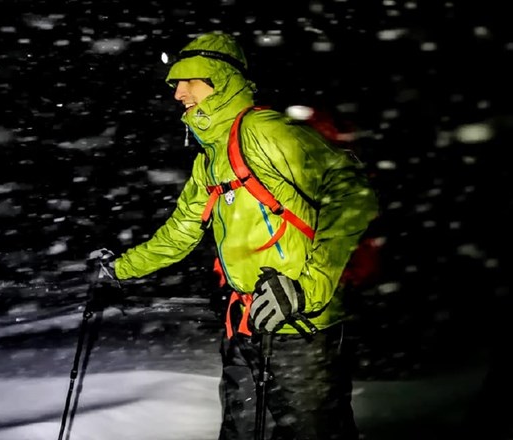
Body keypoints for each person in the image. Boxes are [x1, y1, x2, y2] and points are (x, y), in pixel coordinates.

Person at [91, 31, 378, 440]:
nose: (178, 94)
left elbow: (354, 193)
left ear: (220, 80)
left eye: (189, 80)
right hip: (245, 328)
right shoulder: (209, 160)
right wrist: (116, 269)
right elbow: (178, 234)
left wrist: (307, 288)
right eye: (175, 84)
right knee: (241, 432)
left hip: (301, 328)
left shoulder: (263, 130)